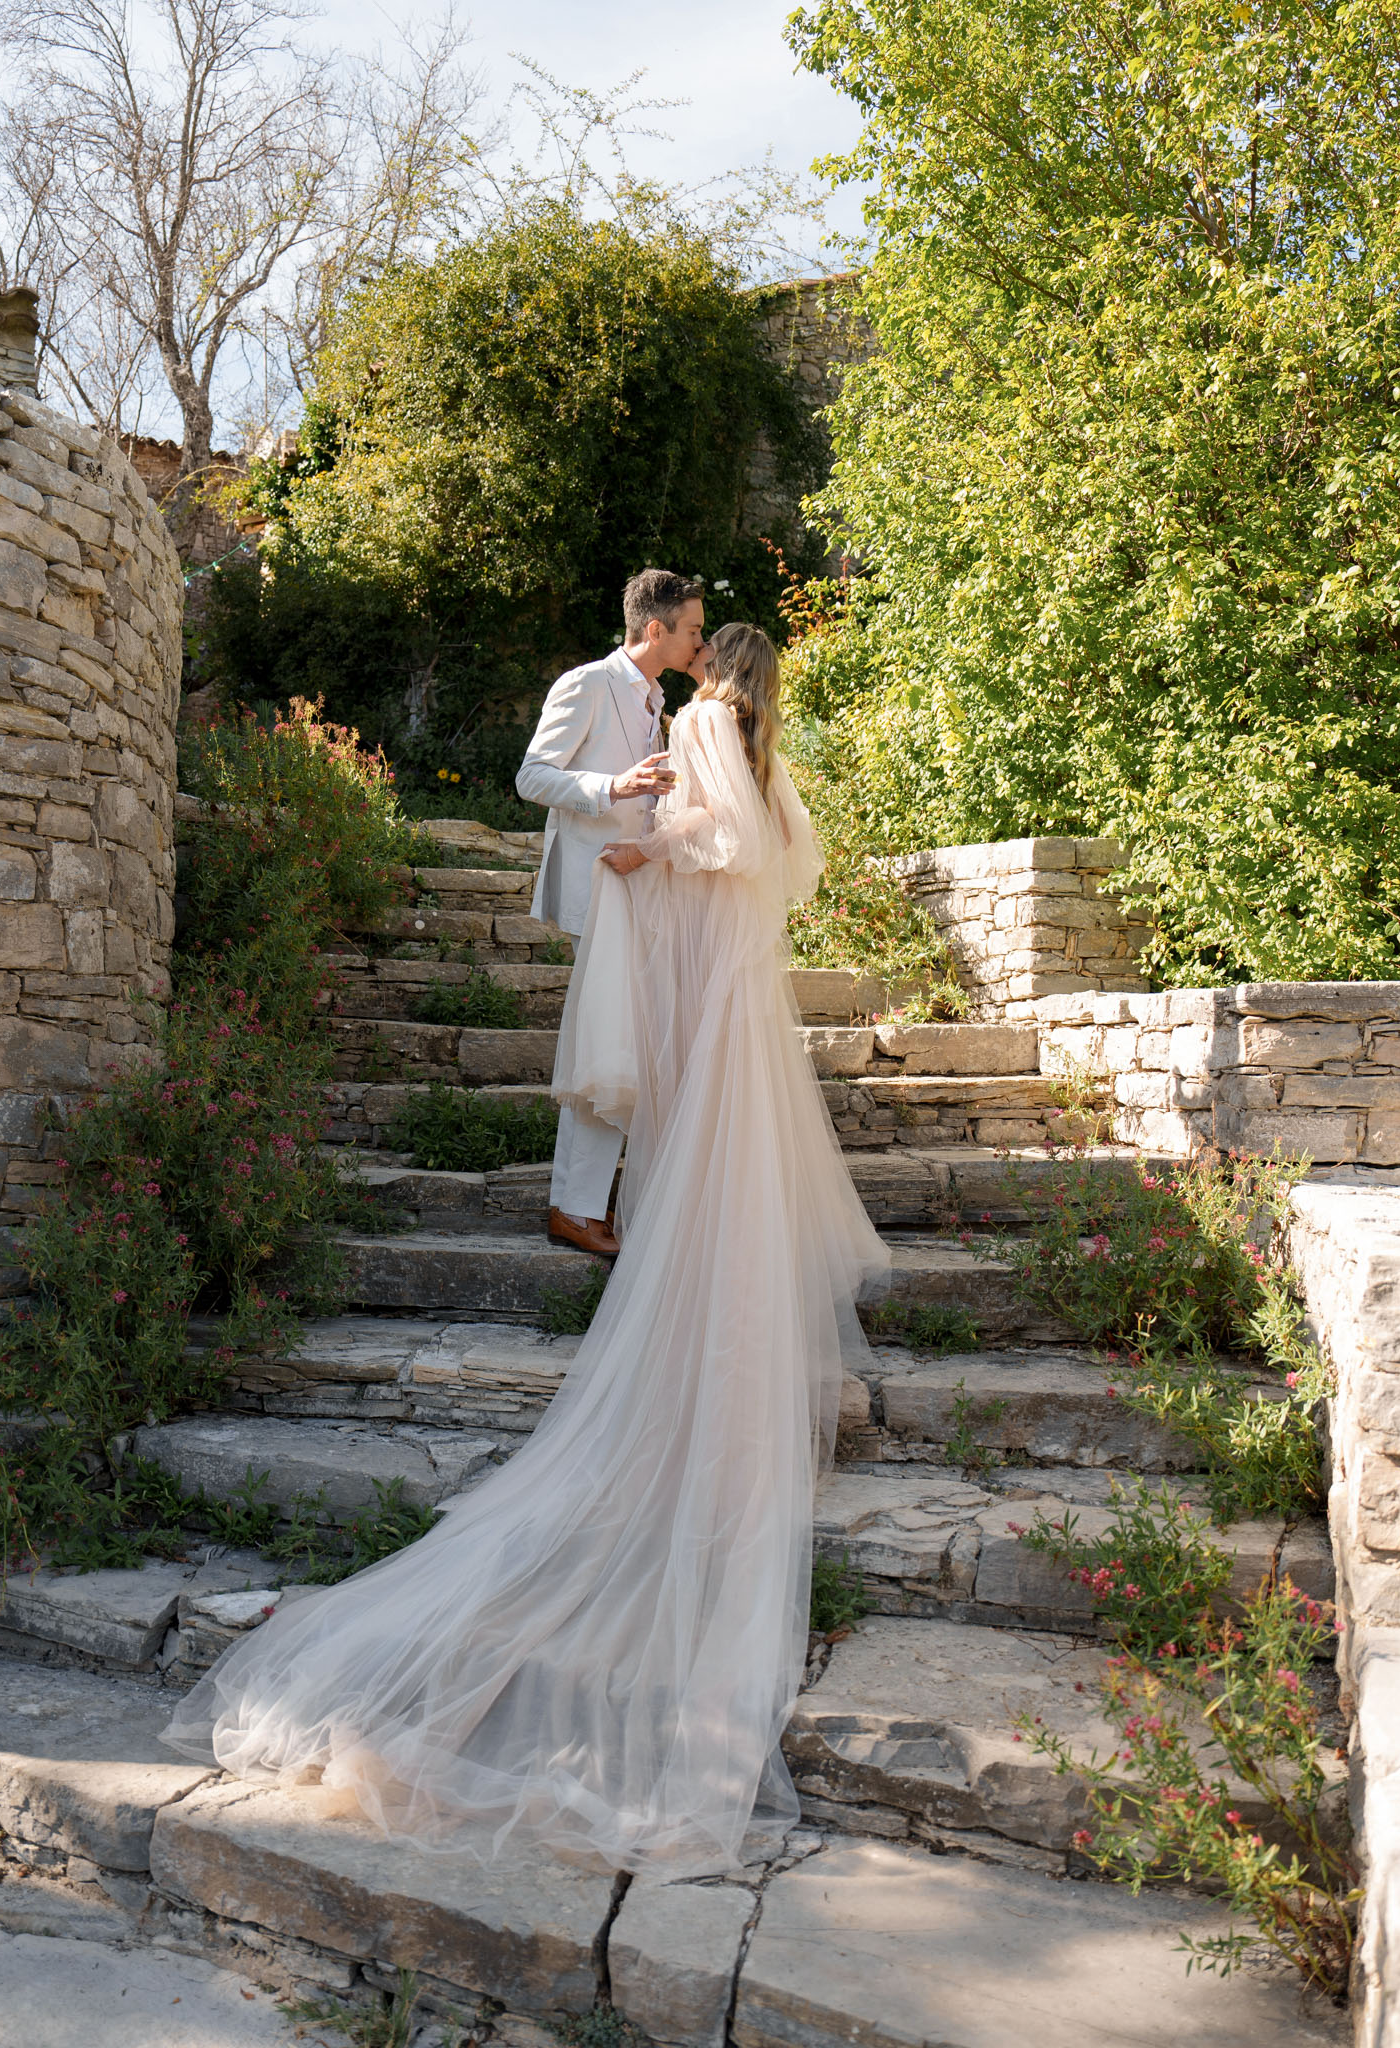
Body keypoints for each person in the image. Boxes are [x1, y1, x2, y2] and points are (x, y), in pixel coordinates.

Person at [162, 623, 888, 1881]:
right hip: (737, 984)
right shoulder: (766, 750)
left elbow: (706, 844)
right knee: (718, 1175)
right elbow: (778, 860)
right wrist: (659, 837)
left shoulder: (702, 723)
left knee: (687, 1161)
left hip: (699, 972)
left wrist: (641, 844)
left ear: (706, 663)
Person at [515, 568, 704, 1260]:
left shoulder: (657, 699)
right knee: (606, 1051)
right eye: (690, 630)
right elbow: (532, 775)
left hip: (637, 892)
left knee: (617, 1051)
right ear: (654, 629)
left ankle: (585, 1203)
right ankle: (574, 1208)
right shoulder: (587, 683)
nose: (697, 641)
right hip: (596, 892)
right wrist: (611, 786)